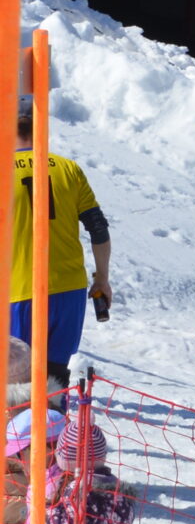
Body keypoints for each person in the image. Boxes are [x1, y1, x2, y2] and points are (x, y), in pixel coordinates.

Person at [9, 100, 109, 380]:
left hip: (19, 290)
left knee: (16, 381)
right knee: (55, 378)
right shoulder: (69, 169)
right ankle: (56, 410)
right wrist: (102, 279)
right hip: (68, 291)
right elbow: (98, 228)